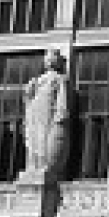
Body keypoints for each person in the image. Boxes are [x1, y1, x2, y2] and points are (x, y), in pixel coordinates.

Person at [19, 51, 71, 183]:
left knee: (44, 138)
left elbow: (62, 100)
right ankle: (34, 165)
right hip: (36, 112)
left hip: (48, 112)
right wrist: (28, 94)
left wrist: (60, 114)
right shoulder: (38, 80)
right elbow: (28, 100)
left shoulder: (59, 79)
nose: (49, 62)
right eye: (47, 59)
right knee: (34, 138)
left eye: (52, 59)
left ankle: (43, 165)